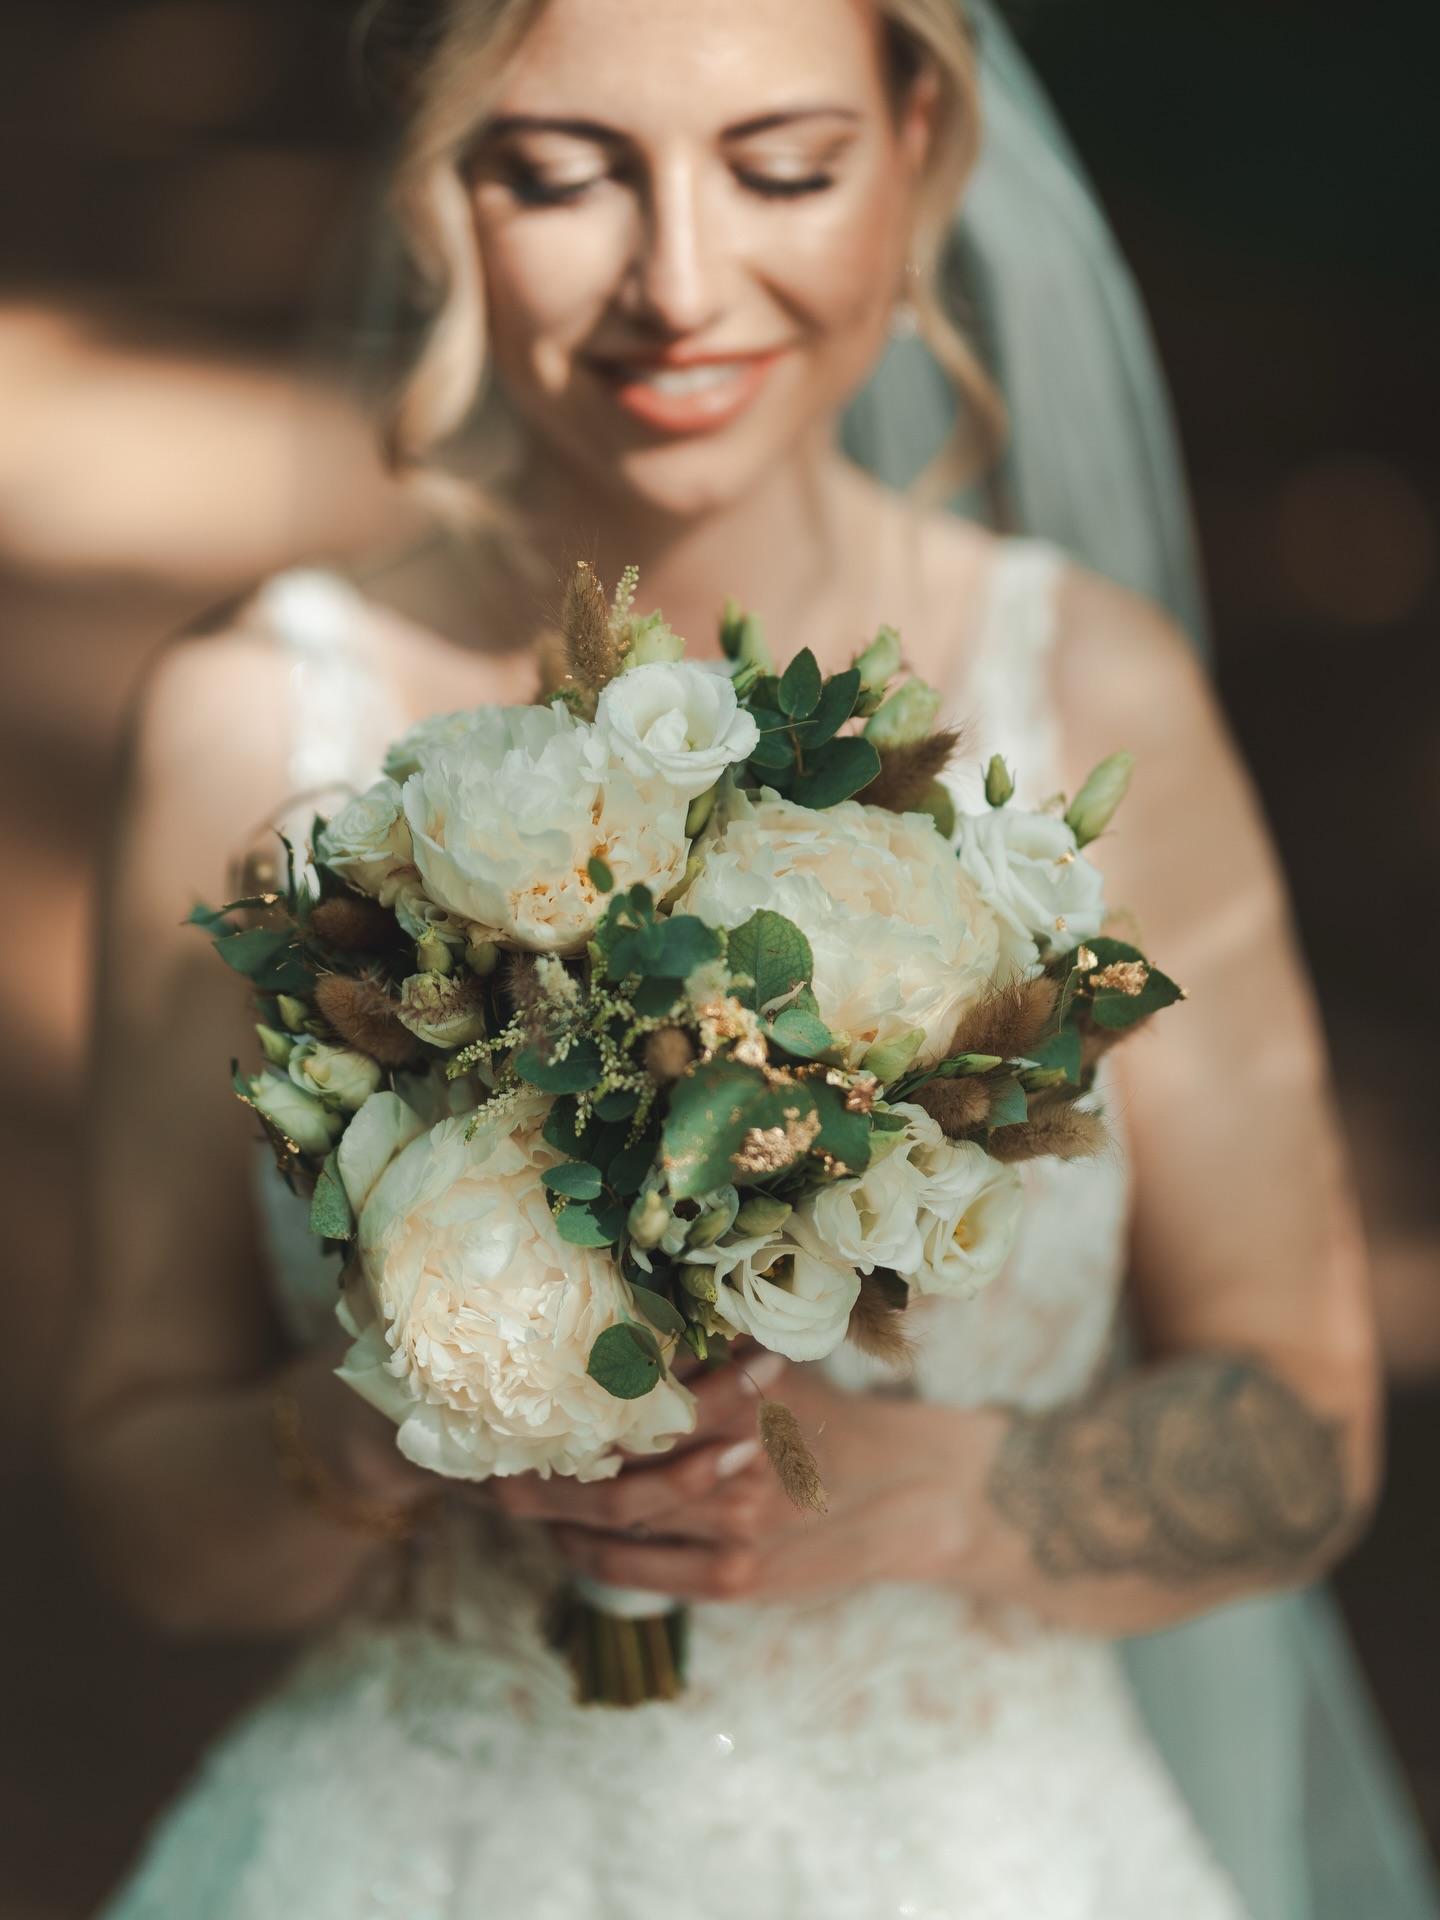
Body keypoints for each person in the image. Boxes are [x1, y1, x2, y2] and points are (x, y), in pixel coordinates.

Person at [69, 1, 1383, 1914]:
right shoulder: (247, 729)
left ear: (920, 152)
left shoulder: (1088, 690)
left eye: (784, 166)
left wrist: (956, 1493)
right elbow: (139, 1502)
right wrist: (415, 1420)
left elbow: (1302, 1424)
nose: (679, 285)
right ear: (442, 192)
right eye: (564, 172)